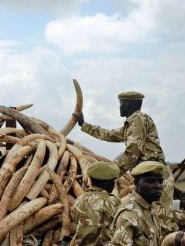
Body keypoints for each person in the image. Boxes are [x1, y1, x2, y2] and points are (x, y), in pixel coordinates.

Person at [74, 91, 177, 235]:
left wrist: (110, 175)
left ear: (127, 105)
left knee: (163, 220)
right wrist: (84, 125)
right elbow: (110, 134)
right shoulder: (132, 123)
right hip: (147, 176)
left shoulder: (137, 120)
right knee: (150, 219)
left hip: (155, 177)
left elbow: (133, 152)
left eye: (121, 104)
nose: (119, 108)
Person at [109, 161, 165, 245]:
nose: (158, 186)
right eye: (151, 181)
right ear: (136, 183)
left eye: (160, 181)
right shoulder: (130, 213)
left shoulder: (149, 206)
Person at [71, 162, 120, 245]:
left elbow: (75, 219)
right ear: (105, 183)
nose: (114, 184)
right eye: (113, 181)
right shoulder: (111, 201)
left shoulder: (80, 199)